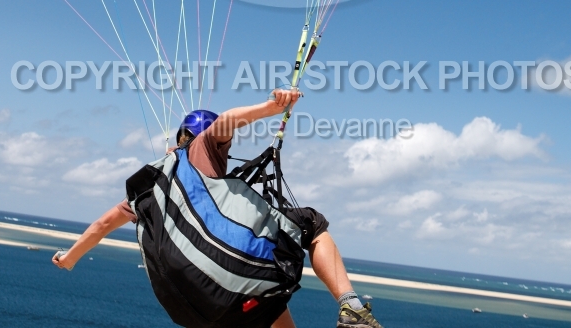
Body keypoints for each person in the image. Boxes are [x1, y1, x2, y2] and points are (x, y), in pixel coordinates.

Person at [53, 89, 383, 328]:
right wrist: (273, 107)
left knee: (266, 301)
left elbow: (102, 225)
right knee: (311, 224)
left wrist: (70, 258)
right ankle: (352, 307)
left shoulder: (151, 187)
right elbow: (226, 122)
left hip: (192, 311)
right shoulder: (202, 148)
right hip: (226, 277)